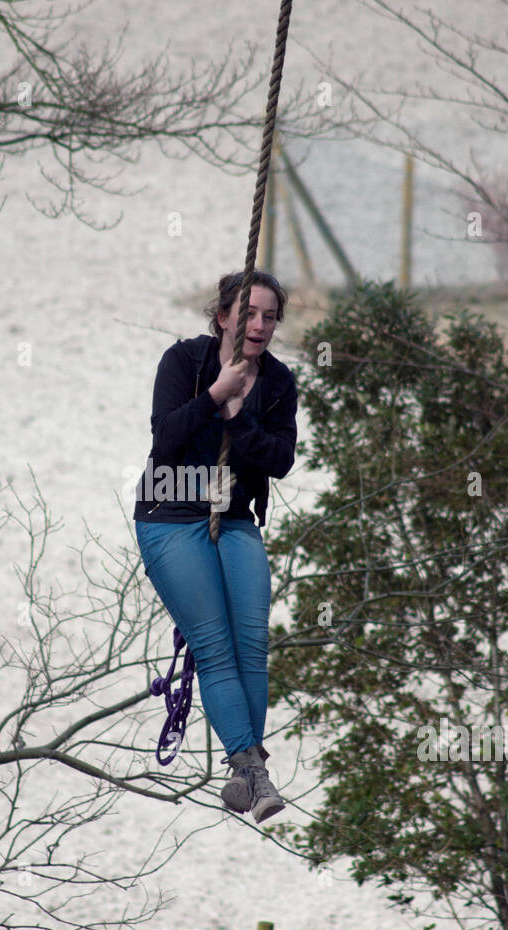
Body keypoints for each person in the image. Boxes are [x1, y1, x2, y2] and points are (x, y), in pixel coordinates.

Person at [133, 270, 298, 823]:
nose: (259, 325)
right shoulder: (185, 362)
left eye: (270, 316)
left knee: (253, 643)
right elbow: (166, 436)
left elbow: (278, 459)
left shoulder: (277, 383)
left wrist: (235, 414)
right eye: (248, 314)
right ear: (223, 316)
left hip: (233, 519)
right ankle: (254, 772)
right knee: (215, 645)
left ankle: (243, 773)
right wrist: (212, 397)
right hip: (171, 515)